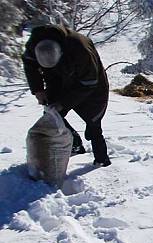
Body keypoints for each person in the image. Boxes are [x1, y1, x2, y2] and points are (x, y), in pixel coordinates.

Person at [22, 24, 111, 167]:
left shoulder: (80, 48)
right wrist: (38, 89)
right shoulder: (33, 46)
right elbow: (30, 65)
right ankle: (75, 144)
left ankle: (102, 161)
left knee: (94, 121)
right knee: (52, 113)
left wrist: (64, 103)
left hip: (90, 82)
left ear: (61, 52)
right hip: (57, 78)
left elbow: (89, 82)